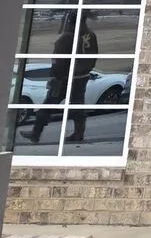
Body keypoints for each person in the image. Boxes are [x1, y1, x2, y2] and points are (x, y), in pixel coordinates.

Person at [25, 11, 98, 145]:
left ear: (70, 21)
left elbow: (58, 60)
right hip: (82, 77)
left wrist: (55, 76)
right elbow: (94, 56)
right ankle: (78, 133)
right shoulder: (90, 35)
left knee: (48, 105)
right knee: (77, 106)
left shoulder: (67, 37)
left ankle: (36, 133)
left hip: (64, 78)